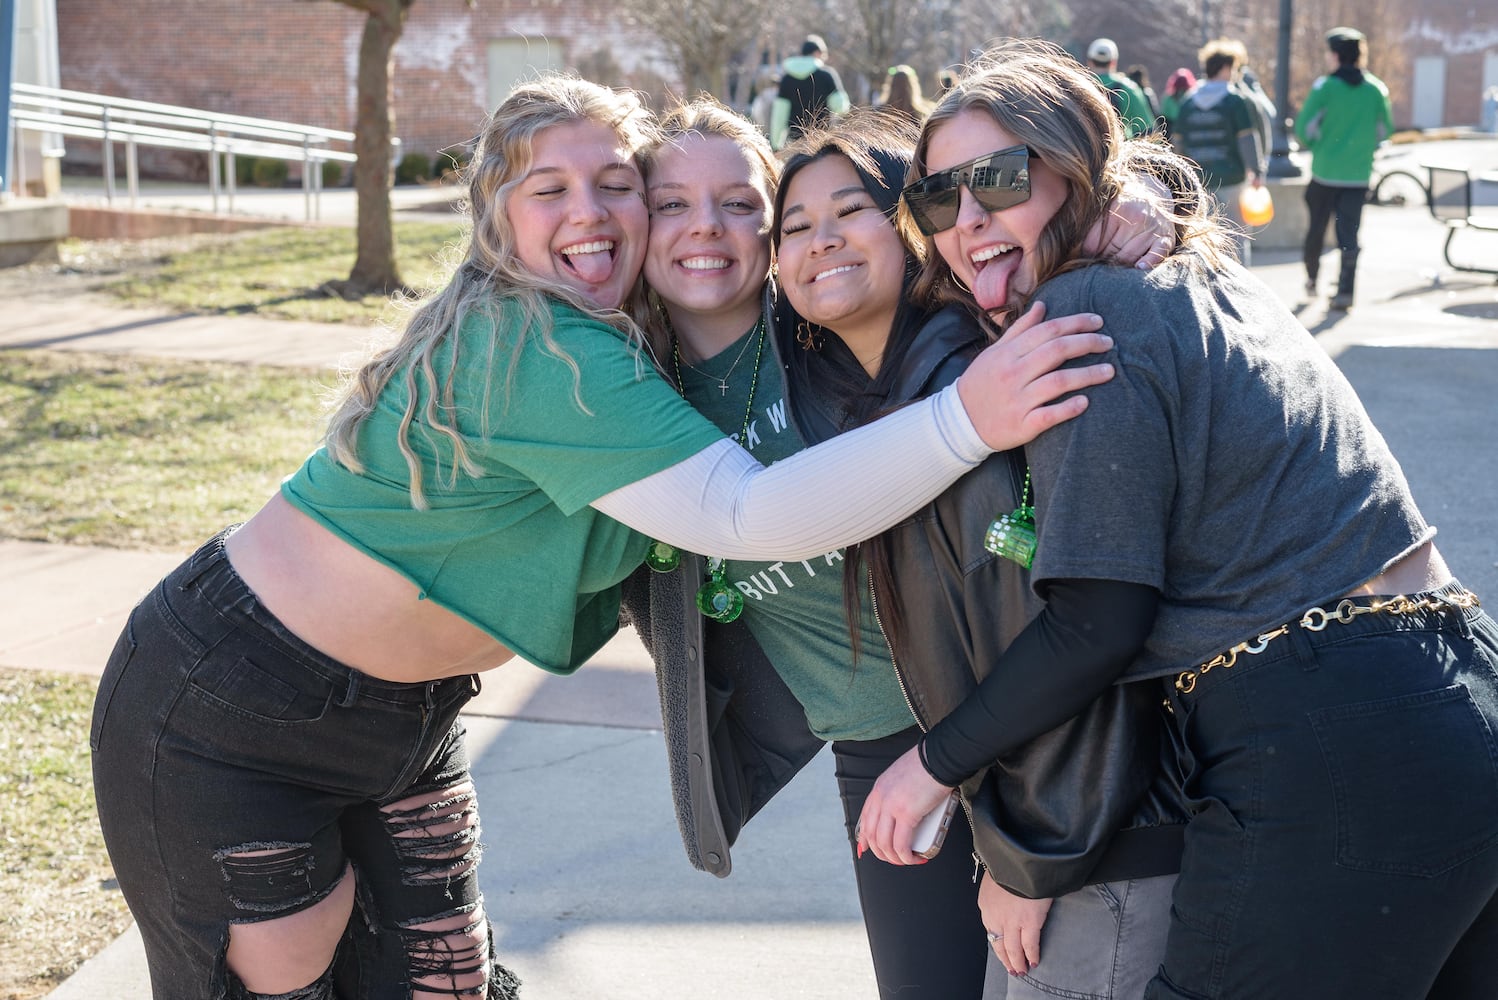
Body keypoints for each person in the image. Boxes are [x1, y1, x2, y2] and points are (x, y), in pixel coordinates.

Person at [89, 74, 1120, 1000]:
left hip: (408, 719)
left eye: (617, 185)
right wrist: (968, 417)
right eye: (549, 190)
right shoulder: (542, 346)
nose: (593, 212)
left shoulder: (727, 336)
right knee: (284, 971)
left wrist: (1128, 208)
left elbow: (947, 210)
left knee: (442, 976)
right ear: (496, 217)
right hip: (232, 703)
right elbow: (741, 517)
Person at [858, 39, 1498, 999]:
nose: (968, 217)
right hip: (1462, 690)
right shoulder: (1199, 275)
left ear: (1072, 169)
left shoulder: (1086, 312)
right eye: (936, 200)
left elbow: (1095, 621)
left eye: (995, 178)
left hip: (1330, 732)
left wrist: (932, 768)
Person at [625, 98, 1184, 999]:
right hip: (875, 748)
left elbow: (986, 192)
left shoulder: (844, 341)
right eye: (671, 204)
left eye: (740, 204)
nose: (707, 229)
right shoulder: (631, 384)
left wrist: (1146, 198)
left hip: (1017, 725)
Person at [1295, 26, 1394, 311]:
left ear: (1336, 55)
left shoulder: (1324, 87)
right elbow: (1384, 130)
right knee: (1349, 236)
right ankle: (1345, 293)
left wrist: (1321, 148)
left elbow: (1304, 128)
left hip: (1324, 173)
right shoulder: (1376, 89)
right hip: (1358, 176)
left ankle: (1312, 280)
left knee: (1315, 230)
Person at [1170, 38, 1266, 263]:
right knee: (1237, 237)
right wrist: (1256, 171)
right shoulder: (1235, 101)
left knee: (1203, 239)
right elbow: (1247, 140)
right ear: (1224, 68)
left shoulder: (1187, 102)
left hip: (1199, 182)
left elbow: (1179, 146)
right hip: (1232, 178)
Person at [771, 33, 851, 150]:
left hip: (795, 143)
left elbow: (779, 115)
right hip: (822, 141)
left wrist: (776, 144)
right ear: (817, 53)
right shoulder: (827, 75)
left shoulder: (786, 79)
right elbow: (840, 107)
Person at [1085, 37, 1153, 138]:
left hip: (1083, 151)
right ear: (1113, 62)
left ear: (1089, 61)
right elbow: (1146, 130)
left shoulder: (1077, 86)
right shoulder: (1129, 88)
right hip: (1119, 149)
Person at [1158, 67, 1196, 138]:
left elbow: (1163, 117)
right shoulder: (1191, 97)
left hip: (1171, 130)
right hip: (1187, 129)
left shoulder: (1168, 98)